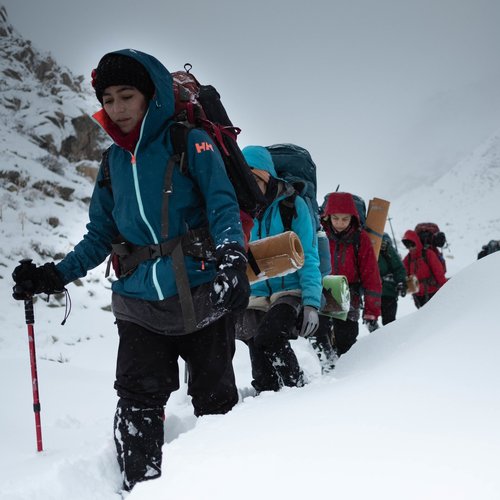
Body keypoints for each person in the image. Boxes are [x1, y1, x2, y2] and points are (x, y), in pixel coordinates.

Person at [11, 49, 250, 492]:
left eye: (127, 96)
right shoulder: (113, 163)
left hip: (201, 295)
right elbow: (99, 235)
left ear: (151, 95)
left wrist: (233, 258)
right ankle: (139, 487)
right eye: (109, 99)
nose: (117, 109)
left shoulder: (190, 142)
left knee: (216, 406)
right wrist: (54, 275)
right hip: (139, 304)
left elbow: (222, 207)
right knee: (137, 404)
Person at [235, 145, 322, 393]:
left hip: (290, 292)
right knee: (259, 362)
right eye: (243, 180)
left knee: (270, 337)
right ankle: (268, 405)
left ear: (268, 178)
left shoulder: (292, 206)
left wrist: (312, 303)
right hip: (256, 294)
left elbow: (310, 256)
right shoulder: (240, 210)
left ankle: (298, 391)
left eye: (254, 180)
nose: (248, 187)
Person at [319, 192, 382, 356]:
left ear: (352, 217)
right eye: (336, 218)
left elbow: (371, 276)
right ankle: (325, 373)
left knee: (346, 343)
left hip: (349, 296)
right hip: (322, 292)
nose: (340, 223)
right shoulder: (320, 235)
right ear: (328, 216)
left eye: (345, 219)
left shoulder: (360, 239)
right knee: (320, 339)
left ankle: (346, 376)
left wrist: (371, 311)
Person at [402, 229, 447, 308]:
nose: (411, 248)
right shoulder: (407, 259)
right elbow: (403, 275)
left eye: (412, 245)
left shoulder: (428, 254)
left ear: (417, 242)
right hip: (418, 298)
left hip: (434, 294)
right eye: (408, 246)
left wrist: (446, 291)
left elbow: (439, 274)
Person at [378, 233, 407, 325]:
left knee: (388, 322)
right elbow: (399, 267)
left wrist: (401, 282)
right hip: (378, 292)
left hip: (387, 291)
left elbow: (398, 267)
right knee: (386, 321)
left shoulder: (386, 247)